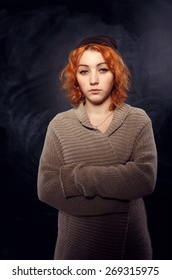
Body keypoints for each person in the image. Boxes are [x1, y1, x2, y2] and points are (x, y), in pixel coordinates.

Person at [37, 36, 157, 260]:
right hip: (76, 244)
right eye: (84, 71)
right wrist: (120, 202)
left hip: (129, 244)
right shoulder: (60, 124)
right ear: (76, 77)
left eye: (102, 70)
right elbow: (47, 188)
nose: (93, 79)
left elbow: (144, 179)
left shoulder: (138, 120)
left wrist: (77, 176)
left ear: (116, 74)